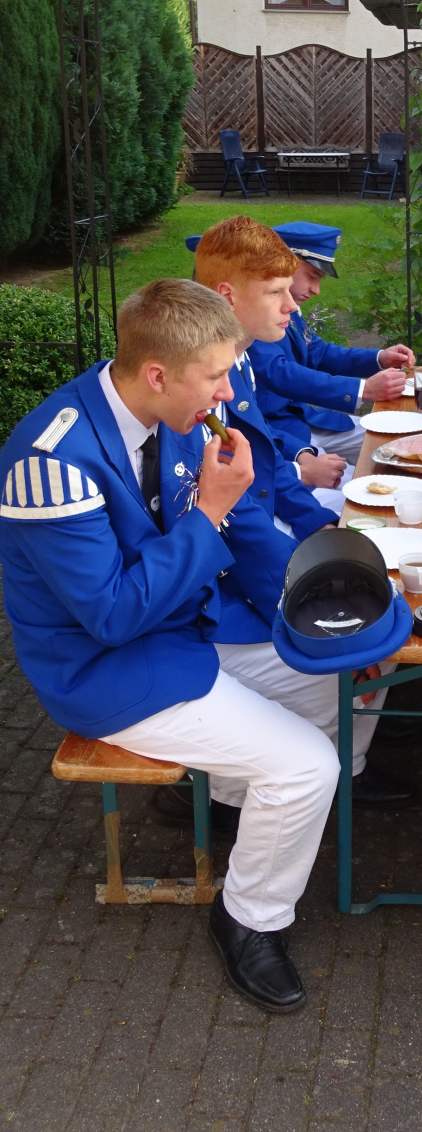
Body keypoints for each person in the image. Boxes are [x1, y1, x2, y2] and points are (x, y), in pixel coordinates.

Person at [0, 279, 358, 1012]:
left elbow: (245, 529)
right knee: (306, 766)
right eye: (217, 375)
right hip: (109, 669)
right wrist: (210, 514)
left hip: (182, 631)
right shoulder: (49, 461)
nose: (230, 391)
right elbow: (110, 616)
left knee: (341, 678)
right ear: (158, 373)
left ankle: (233, 801)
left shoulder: (175, 411)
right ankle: (249, 920)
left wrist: (312, 609)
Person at [192, 216, 416, 807]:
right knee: (364, 634)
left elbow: (262, 468)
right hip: (220, 603)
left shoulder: (232, 363)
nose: (293, 301)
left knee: (378, 602)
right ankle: (229, 792)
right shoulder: (206, 381)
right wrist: (304, 596)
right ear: (228, 297)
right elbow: (237, 520)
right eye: (277, 291)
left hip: (247, 562)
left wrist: (321, 527)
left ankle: (353, 742)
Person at [246, 220, 414, 474]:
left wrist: (379, 358)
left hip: (305, 420)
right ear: (282, 264)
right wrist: (363, 389)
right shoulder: (255, 315)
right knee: (375, 476)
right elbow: (279, 372)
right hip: (281, 435)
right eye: (312, 276)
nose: (316, 290)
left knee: (404, 441)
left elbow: (317, 352)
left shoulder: (287, 308)